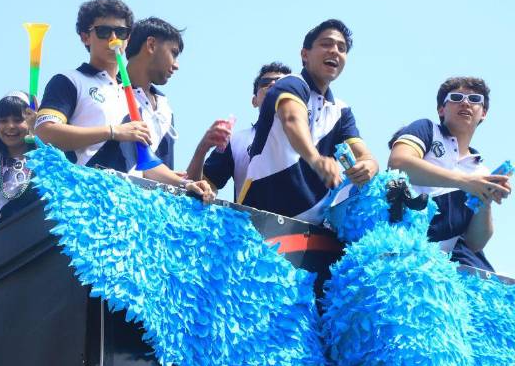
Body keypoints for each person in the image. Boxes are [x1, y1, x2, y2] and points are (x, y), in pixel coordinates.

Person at [35, 0, 213, 201]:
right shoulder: (69, 80)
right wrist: (113, 132)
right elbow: (45, 132)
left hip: (129, 209)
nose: (114, 39)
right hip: (85, 203)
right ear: (85, 37)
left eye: (121, 32)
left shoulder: (134, 95)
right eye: (103, 32)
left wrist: (185, 183)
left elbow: (146, 164)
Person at [244, 19, 378, 222]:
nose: (334, 51)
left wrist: (369, 165)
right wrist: (316, 160)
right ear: (304, 54)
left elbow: (364, 155)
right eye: (326, 44)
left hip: (311, 233)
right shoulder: (291, 83)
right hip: (261, 217)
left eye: (341, 48)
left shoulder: (341, 111)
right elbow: (291, 119)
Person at [388, 77, 510, 264]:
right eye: (456, 97)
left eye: (475, 99)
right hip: (397, 248)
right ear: (441, 109)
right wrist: (466, 182)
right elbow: (398, 162)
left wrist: (485, 198)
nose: (465, 102)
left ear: (483, 113)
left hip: (435, 269)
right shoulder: (427, 129)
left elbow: (475, 243)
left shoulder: (482, 172)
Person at [187, 62, 292, 202]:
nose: (273, 85)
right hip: (249, 223)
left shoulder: (314, 136)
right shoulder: (236, 141)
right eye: (265, 83)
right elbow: (202, 184)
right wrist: (202, 149)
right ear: (254, 101)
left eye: (281, 83)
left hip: (304, 224)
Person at [124, 17, 184, 169]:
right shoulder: (108, 90)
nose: (176, 65)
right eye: (173, 53)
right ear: (151, 45)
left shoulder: (165, 108)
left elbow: (159, 171)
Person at [0, 92, 40, 226]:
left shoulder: (47, 153)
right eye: (3, 121)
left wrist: (39, 131)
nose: (10, 126)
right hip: (6, 241)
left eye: (18, 120)